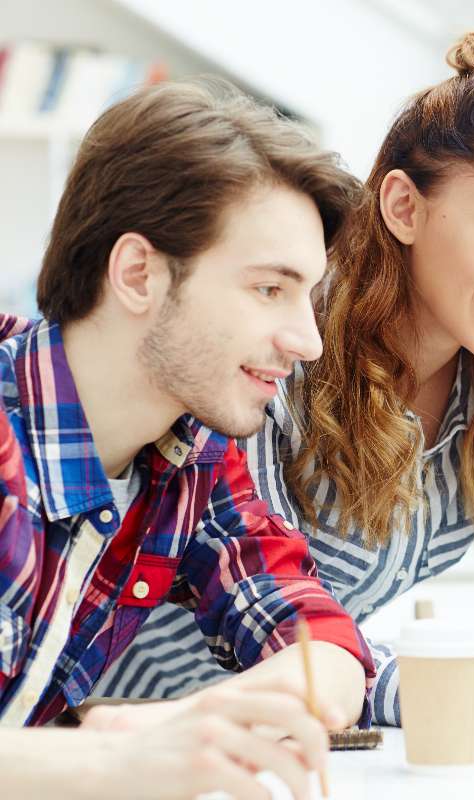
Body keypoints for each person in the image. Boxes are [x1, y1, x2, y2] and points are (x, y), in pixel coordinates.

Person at [98, 25, 474, 738]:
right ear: (404, 207)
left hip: (302, 728)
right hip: (122, 718)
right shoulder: (283, 345)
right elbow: (263, 627)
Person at [0, 79, 376, 798]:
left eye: (310, 296)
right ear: (138, 273)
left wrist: (187, 728)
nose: (309, 342)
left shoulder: (191, 460)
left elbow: (326, 651)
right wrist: (116, 763)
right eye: (270, 289)